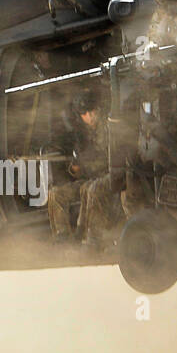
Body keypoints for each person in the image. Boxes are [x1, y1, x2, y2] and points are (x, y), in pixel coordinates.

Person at [45, 89, 121, 248]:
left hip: (111, 175)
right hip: (89, 178)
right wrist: (75, 166)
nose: (90, 116)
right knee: (55, 194)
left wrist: (86, 161)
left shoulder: (109, 127)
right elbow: (76, 170)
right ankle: (63, 238)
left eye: (92, 111)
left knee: (92, 188)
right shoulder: (81, 134)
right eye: (84, 113)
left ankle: (93, 240)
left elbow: (112, 157)